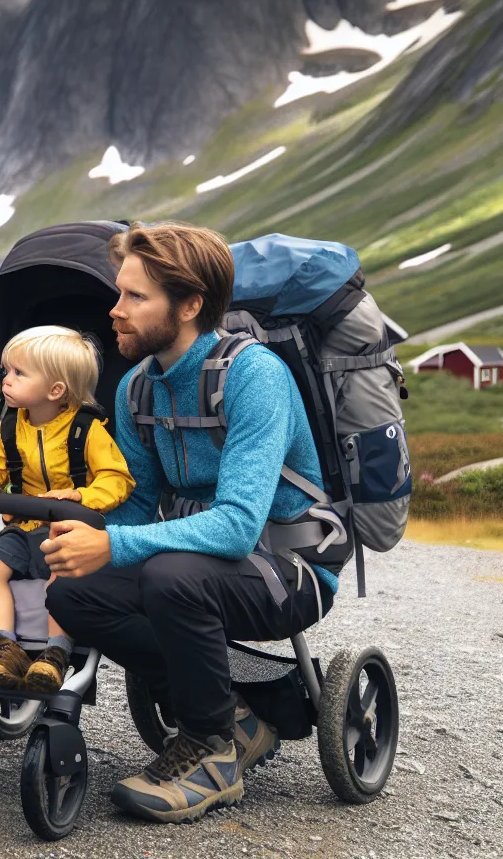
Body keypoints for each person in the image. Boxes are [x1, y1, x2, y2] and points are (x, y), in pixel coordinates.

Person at [40, 222, 336, 823]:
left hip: (292, 568)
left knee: (170, 577)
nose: (114, 310)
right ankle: (234, 717)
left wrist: (115, 543)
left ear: (190, 305)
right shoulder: (137, 392)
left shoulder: (255, 376)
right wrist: (84, 520)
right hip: (202, 567)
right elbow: (131, 510)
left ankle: (212, 755)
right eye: (119, 293)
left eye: (134, 297)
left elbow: (233, 527)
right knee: (73, 593)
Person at [0, 325, 132, 694]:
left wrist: (82, 497)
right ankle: (2, 646)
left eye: (18, 373)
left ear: (55, 390)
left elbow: (117, 478)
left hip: (68, 530)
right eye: (7, 371)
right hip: (24, 525)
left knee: (62, 577)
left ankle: (55, 653)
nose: (6, 381)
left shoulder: (86, 431)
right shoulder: (11, 427)